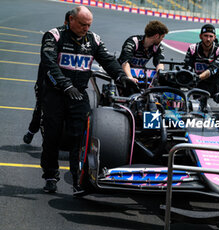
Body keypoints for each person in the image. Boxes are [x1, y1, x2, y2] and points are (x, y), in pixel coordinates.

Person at [39, 6, 127, 194]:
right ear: (71, 19)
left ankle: (78, 178)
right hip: (56, 93)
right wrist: (65, 85)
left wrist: (121, 76)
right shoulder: (53, 36)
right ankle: (50, 175)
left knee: (80, 137)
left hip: (78, 93)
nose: (86, 28)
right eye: (82, 24)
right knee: (52, 135)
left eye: (89, 25)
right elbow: (48, 65)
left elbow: (108, 61)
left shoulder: (93, 39)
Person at [23, 10, 72, 144]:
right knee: (41, 107)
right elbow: (48, 63)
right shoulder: (55, 35)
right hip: (48, 78)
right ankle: (32, 131)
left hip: (68, 81)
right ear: (67, 22)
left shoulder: (81, 37)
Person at [118, 20, 168, 87]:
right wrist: (130, 78)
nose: (162, 39)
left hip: (140, 74)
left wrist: (159, 76)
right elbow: (124, 62)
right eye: (162, 37)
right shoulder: (133, 41)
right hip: (124, 71)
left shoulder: (157, 47)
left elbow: (159, 63)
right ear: (156, 36)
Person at [183, 24, 219, 96]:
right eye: (205, 36)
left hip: (214, 85)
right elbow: (187, 67)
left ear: (214, 37)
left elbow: (213, 68)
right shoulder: (192, 48)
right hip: (198, 85)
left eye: (211, 36)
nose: (208, 39)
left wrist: (198, 77)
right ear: (200, 36)